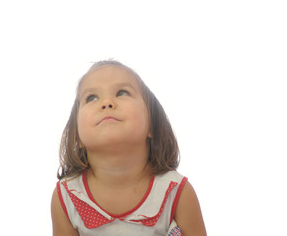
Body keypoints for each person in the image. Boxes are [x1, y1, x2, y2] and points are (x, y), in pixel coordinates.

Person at [51, 60, 207, 236]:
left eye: (122, 92)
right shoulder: (67, 196)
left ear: (151, 125)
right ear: (77, 136)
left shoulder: (177, 192)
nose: (107, 102)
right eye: (91, 97)